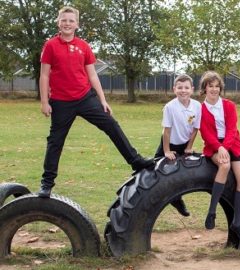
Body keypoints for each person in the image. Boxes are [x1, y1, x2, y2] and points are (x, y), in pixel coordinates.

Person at [38, 6, 153, 198]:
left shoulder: (84, 46)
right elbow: (44, 75)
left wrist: (103, 100)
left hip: (85, 98)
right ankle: (46, 183)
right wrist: (44, 102)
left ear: (77, 24)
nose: (67, 23)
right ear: (58, 22)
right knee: (55, 141)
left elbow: (92, 75)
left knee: (111, 125)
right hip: (60, 101)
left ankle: (135, 161)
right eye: (64, 20)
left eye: (71, 20)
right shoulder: (50, 45)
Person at [199, 71, 240, 241]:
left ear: (220, 88)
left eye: (216, 86)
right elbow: (205, 133)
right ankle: (212, 211)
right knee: (225, 166)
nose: (214, 89)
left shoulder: (229, 105)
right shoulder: (201, 109)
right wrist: (219, 148)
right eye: (210, 86)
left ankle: (236, 222)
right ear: (204, 88)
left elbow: (232, 129)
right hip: (213, 146)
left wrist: (225, 148)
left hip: (232, 143)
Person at [154, 74, 201, 217]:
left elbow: (195, 129)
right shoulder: (170, 107)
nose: (183, 90)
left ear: (192, 89)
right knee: (156, 171)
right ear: (174, 89)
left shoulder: (197, 106)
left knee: (178, 175)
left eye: (186, 87)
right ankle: (169, 200)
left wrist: (189, 147)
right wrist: (167, 151)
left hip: (184, 145)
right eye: (179, 87)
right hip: (168, 144)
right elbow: (166, 131)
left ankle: (177, 200)